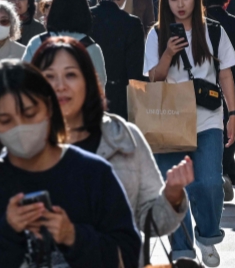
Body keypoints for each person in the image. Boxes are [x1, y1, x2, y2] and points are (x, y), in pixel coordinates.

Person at [0, 60, 141, 267]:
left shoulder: (92, 174)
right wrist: (6, 232)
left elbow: (128, 255)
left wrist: (74, 236)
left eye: (30, 114)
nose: (20, 127)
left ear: (49, 107)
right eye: (6, 121)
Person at [30, 37, 191, 245]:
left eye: (70, 75)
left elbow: (151, 222)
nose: (60, 86)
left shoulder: (123, 138)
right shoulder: (26, 144)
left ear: (88, 81)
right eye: (49, 76)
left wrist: (172, 194)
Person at [145, 0, 235, 265]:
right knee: (177, 187)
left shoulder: (212, 30)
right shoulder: (158, 33)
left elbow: (225, 73)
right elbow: (153, 79)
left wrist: (233, 113)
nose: (180, 4)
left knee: (210, 182)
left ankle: (208, 236)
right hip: (170, 118)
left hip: (207, 118)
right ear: (166, 1)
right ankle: (183, 251)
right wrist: (168, 55)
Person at [200, 0, 235, 202]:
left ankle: (215, 172)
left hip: (204, 84)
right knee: (230, 124)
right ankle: (228, 170)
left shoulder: (201, 24)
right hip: (232, 79)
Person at [89, 0, 145, 119]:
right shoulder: (131, 23)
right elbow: (135, 70)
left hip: (88, 94)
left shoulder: (85, 17)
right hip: (120, 99)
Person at [23, 0, 107, 86]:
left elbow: (24, 78)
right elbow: (99, 86)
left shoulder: (37, 42)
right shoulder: (91, 47)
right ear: (84, 13)